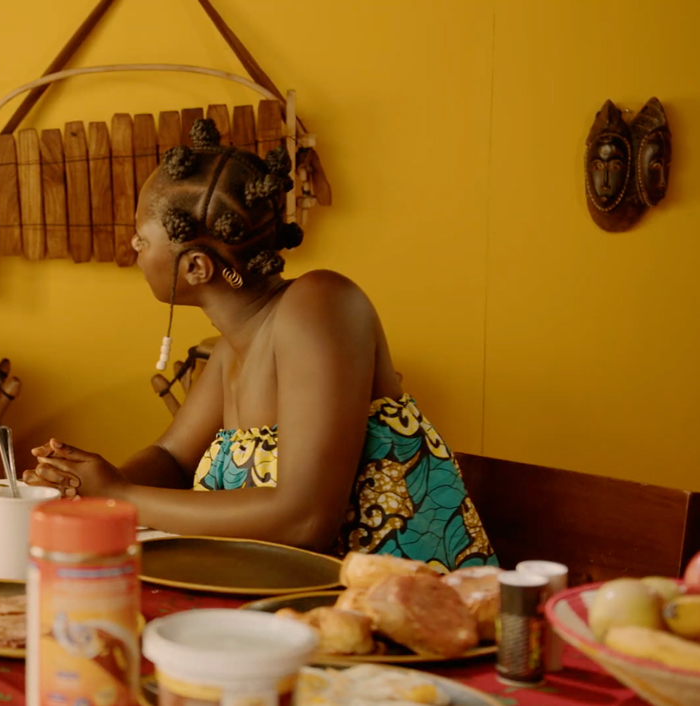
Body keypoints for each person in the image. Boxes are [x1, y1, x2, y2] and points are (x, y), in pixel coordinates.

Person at [26, 120, 495, 570]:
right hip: (297, 599)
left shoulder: (321, 305)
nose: (133, 245)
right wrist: (82, 483)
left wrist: (119, 498)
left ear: (196, 267)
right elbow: (172, 459)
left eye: (142, 237)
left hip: (400, 604)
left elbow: (305, 519)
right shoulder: (232, 346)